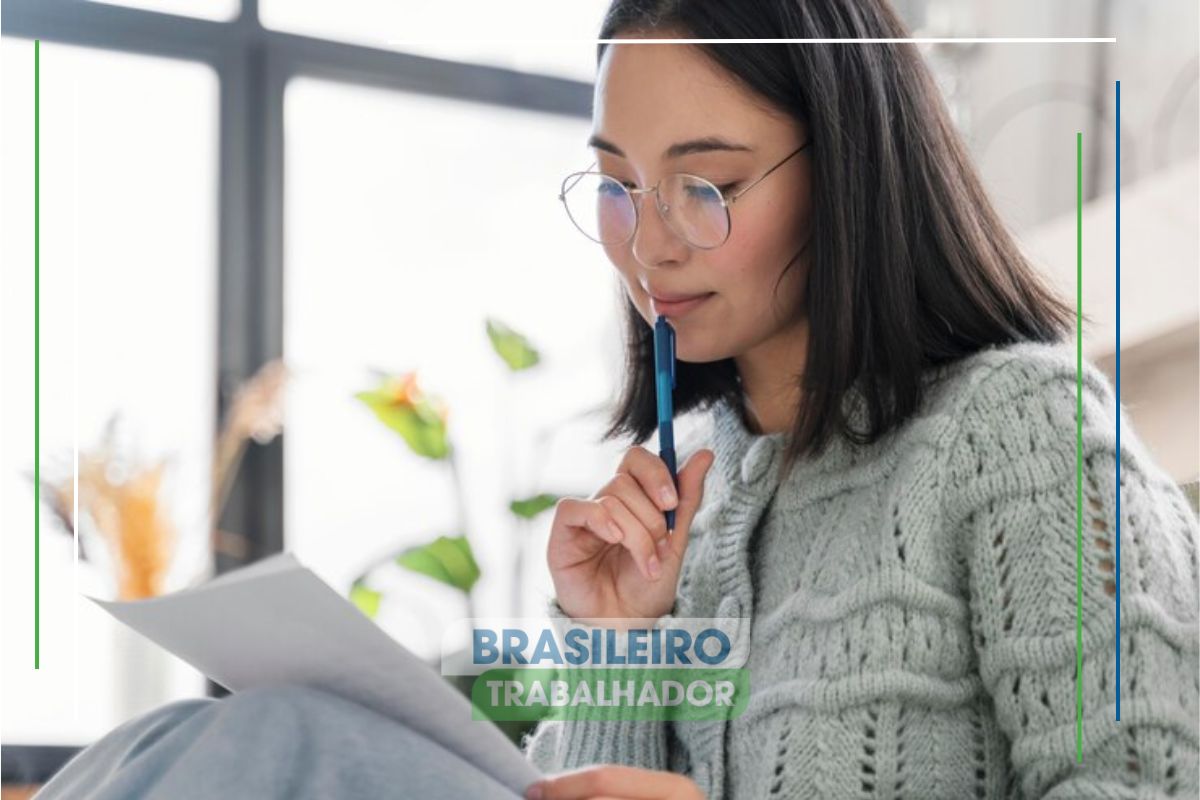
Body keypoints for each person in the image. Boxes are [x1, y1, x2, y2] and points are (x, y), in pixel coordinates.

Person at [34, 1, 1199, 799]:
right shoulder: (693, 491)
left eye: (707, 183)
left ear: (850, 165)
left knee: (277, 742)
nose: (646, 243)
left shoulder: (1029, 432)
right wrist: (615, 636)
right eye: (613, 182)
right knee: (180, 737)